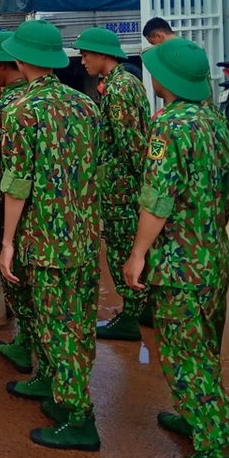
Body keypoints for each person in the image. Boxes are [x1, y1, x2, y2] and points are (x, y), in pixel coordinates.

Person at [123, 38, 229, 458]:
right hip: (212, 258)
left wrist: (138, 253)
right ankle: (202, 418)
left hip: (180, 267)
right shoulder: (213, 120)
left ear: (168, 79)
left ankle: (219, 452)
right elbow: (220, 195)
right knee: (204, 350)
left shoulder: (170, 126)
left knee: (185, 359)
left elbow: (158, 199)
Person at [0, 20, 102, 452]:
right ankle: (59, 390)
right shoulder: (86, 105)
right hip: (83, 234)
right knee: (77, 322)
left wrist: (7, 242)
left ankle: (79, 418)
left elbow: (17, 183)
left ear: (21, 60)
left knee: (57, 327)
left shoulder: (21, 111)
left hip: (45, 240)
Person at [74, 27, 151, 341]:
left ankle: (130, 318)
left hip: (121, 185)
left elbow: (130, 141)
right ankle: (145, 307)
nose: (82, 61)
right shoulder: (128, 81)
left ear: (103, 54)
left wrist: (139, 182)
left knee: (121, 248)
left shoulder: (117, 89)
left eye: (86, 55)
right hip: (127, 182)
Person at [0, 32, 38, 375]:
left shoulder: (7, 108)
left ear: (4, 65)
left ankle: (26, 345)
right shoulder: (73, 102)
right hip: (64, 220)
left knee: (21, 284)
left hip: (20, 217)